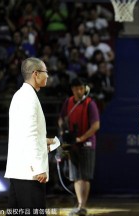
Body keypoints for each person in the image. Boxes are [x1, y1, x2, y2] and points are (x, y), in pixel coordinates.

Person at [4, 57, 55, 215]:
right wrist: (38, 167)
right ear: (36, 74)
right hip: (30, 173)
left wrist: (44, 140)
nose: (47, 75)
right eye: (45, 72)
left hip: (21, 170)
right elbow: (30, 134)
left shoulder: (21, 95)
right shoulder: (28, 98)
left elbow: (24, 133)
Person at [58, 78, 100, 216]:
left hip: (86, 144)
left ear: (85, 89)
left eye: (81, 88)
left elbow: (95, 126)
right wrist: (63, 128)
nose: (79, 91)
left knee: (85, 176)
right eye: (76, 88)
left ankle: (82, 205)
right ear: (73, 89)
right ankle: (80, 204)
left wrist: (82, 138)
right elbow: (61, 118)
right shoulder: (68, 102)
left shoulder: (90, 103)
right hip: (72, 144)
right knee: (76, 176)